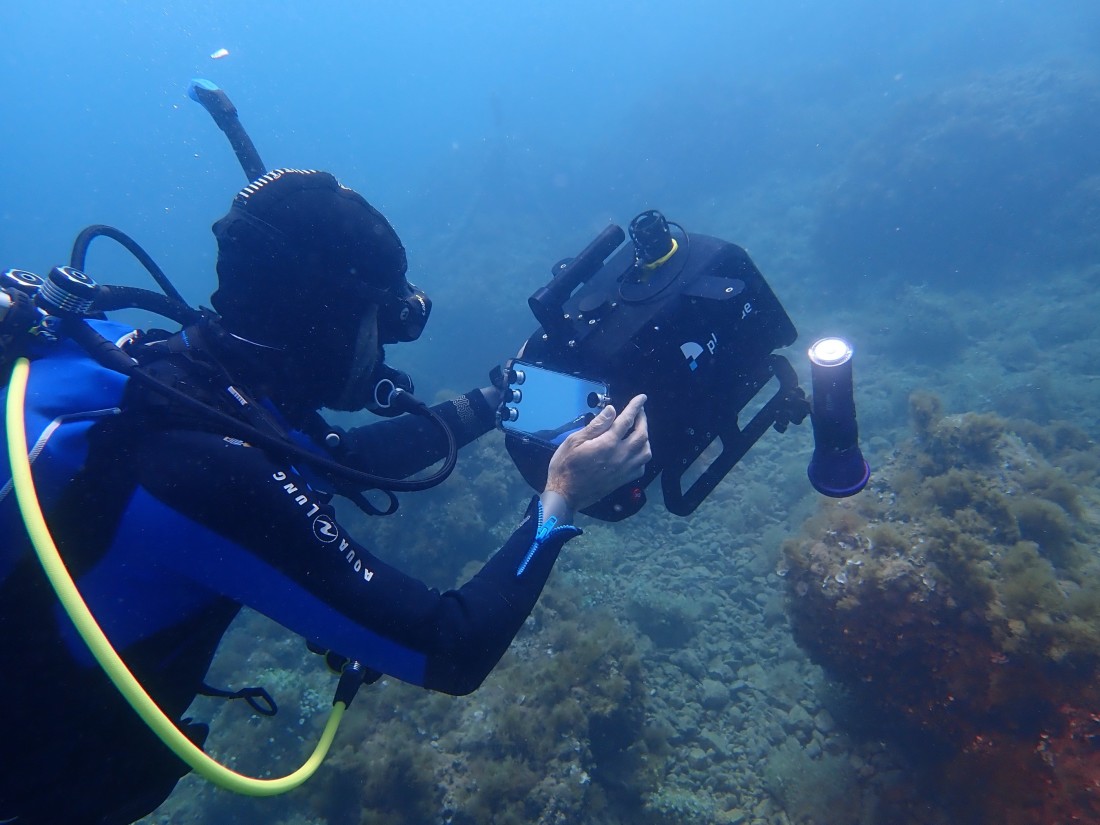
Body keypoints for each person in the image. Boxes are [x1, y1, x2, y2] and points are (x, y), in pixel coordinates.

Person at [0, 168, 651, 824]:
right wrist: (562, 494)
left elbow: (332, 460)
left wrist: (494, 401)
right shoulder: (205, 471)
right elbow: (453, 646)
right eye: (378, 317)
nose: (386, 342)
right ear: (326, 325)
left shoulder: (157, 367)